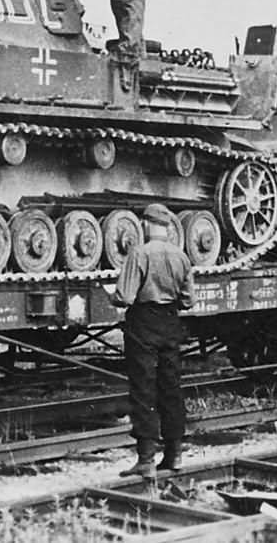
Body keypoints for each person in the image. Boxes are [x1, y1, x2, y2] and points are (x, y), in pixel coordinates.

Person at [112, 203, 194, 478]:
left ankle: (146, 459)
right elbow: (189, 300)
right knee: (171, 387)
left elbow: (124, 296)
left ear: (146, 224)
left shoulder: (140, 253)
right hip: (170, 322)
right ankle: (175, 455)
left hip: (144, 323)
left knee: (143, 388)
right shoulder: (180, 256)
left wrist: (112, 296)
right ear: (168, 226)